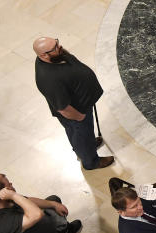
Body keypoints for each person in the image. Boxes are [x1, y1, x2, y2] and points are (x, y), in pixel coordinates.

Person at [32, 37, 112, 169]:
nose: (60, 46)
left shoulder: (54, 57)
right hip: (77, 113)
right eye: (55, 47)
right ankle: (91, 161)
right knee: (81, 135)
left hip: (82, 105)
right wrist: (79, 117)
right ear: (43, 55)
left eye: (57, 42)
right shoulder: (48, 79)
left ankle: (88, 145)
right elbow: (63, 108)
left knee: (83, 135)